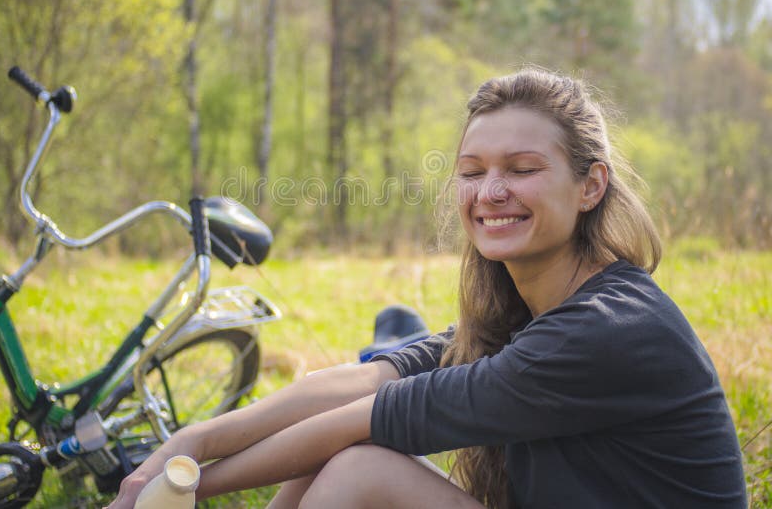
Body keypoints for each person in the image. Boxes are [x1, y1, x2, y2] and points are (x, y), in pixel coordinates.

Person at [106, 68, 746, 509]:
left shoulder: (606, 328)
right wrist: (185, 445)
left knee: (357, 464)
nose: (491, 192)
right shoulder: (534, 314)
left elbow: (373, 419)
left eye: (523, 169)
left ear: (591, 185)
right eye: (473, 172)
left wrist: (185, 484)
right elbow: (369, 381)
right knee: (331, 447)